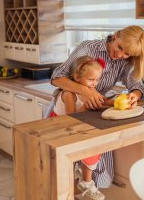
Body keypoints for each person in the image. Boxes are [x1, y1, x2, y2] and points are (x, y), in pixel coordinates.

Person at [50, 25, 144, 190]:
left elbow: (136, 85)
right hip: (69, 105)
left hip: (93, 109)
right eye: (120, 48)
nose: (120, 55)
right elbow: (56, 77)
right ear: (116, 35)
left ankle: (85, 185)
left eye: (126, 54)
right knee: (63, 167)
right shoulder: (88, 48)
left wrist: (135, 95)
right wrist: (85, 90)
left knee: (90, 158)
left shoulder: (124, 59)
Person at [51, 56, 108, 200]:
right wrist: (86, 106)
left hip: (76, 130)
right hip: (61, 131)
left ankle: (85, 181)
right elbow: (72, 118)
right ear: (76, 77)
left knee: (95, 145)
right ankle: (84, 183)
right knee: (63, 171)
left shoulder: (89, 91)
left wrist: (122, 101)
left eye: (97, 80)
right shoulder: (69, 94)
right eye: (91, 80)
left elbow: (103, 101)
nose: (94, 84)